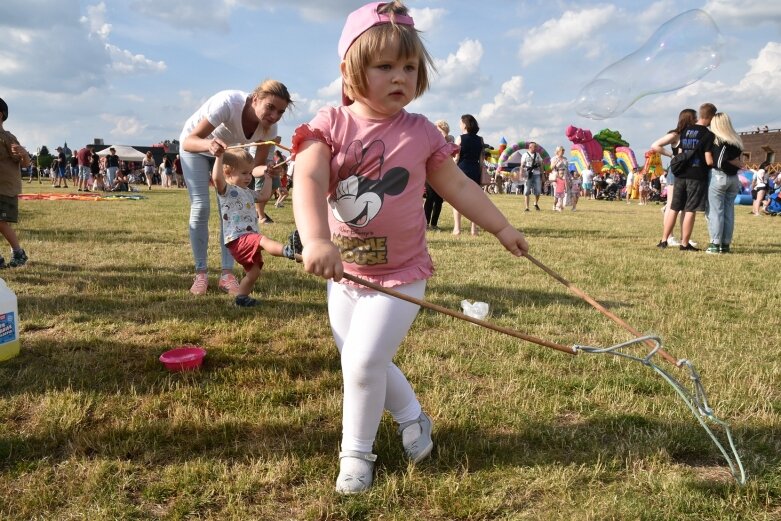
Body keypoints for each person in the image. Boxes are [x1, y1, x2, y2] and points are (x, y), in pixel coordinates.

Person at [291, 1, 529, 494]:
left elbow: (459, 188)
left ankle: (356, 454)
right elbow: (309, 179)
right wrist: (315, 239)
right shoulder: (330, 124)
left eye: (410, 67)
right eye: (384, 66)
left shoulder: (420, 133)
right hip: (347, 274)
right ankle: (413, 417)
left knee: (361, 363)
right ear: (349, 71)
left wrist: (502, 227)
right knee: (361, 359)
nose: (400, 76)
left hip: (402, 274)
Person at [179, 79, 292, 296]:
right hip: (197, 148)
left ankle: (226, 274)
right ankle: (201, 273)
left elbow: (256, 167)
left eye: (280, 112)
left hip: (225, 155)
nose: (275, 116)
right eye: (270, 107)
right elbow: (189, 141)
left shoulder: (269, 129)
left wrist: (268, 171)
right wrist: (210, 145)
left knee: (230, 211)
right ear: (255, 98)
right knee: (201, 207)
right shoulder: (228, 103)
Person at [211, 148, 293, 306]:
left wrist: (268, 178)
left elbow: (263, 196)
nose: (249, 177)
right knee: (263, 240)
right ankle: (287, 250)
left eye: (250, 173)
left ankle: (241, 298)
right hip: (238, 238)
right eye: (244, 173)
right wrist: (219, 157)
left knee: (254, 272)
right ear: (227, 172)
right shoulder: (226, 190)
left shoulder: (247, 192)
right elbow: (216, 178)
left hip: (248, 236)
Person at [657, 103, 716, 250]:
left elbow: (682, 152)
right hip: (696, 175)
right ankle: (684, 243)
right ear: (710, 117)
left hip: (681, 174)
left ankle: (664, 240)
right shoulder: (708, 135)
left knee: (674, 207)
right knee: (690, 209)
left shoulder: (686, 131)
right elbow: (708, 159)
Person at [651, 108, 696, 246]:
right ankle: (669, 237)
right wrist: (671, 155)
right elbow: (655, 145)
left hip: (687, 172)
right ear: (689, 119)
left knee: (684, 206)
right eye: (694, 118)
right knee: (672, 204)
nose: (696, 120)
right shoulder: (676, 135)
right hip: (676, 171)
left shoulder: (692, 135)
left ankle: (684, 238)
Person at [705, 112, 744, 254]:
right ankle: (725, 244)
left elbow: (719, 161)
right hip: (734, 179)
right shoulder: (736, 139)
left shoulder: (719, 139)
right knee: (728, 212)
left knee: (715, 211)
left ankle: (715, 244)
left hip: (719, 177)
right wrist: (737, 163)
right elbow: (737, 161)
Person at [0, 97, 30, 268]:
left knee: (0, 222)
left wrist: (24, 153)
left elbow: (25, 163)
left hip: (4, 187)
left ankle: (18, 253)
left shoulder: (6, 137)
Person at [453, 114, 484, 235]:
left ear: (465, 125)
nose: (459, 125)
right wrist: (480, 173)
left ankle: (457, 228)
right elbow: (481, 161)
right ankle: (474, 229)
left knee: (457, 199)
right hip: (475, 170)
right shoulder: (480, 140)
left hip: (461, 170)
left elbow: (456, 158)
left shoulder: (459, 138)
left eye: (460, 123)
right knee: (474, 200)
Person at [424, 120, 450, 231]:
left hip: (442, 172)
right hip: (430, 172)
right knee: (430, 198)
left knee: (439, 200)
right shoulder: (429, 138)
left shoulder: (448, 139)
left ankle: (433, 224)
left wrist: (443, 134)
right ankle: (425, 224)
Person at [522, 142, 543, 211]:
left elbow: (541, 164)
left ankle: (535, 203)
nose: (536, 148)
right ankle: (527, 207)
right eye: (535, 147)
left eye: (536, 147)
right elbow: (522, 165)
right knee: (526, 191)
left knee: (538, 191)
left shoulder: (538, 155)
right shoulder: (525, 155)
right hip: (528, 174)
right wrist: (521, 173)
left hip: (537, 174)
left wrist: (542, 175)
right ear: (530, 147)